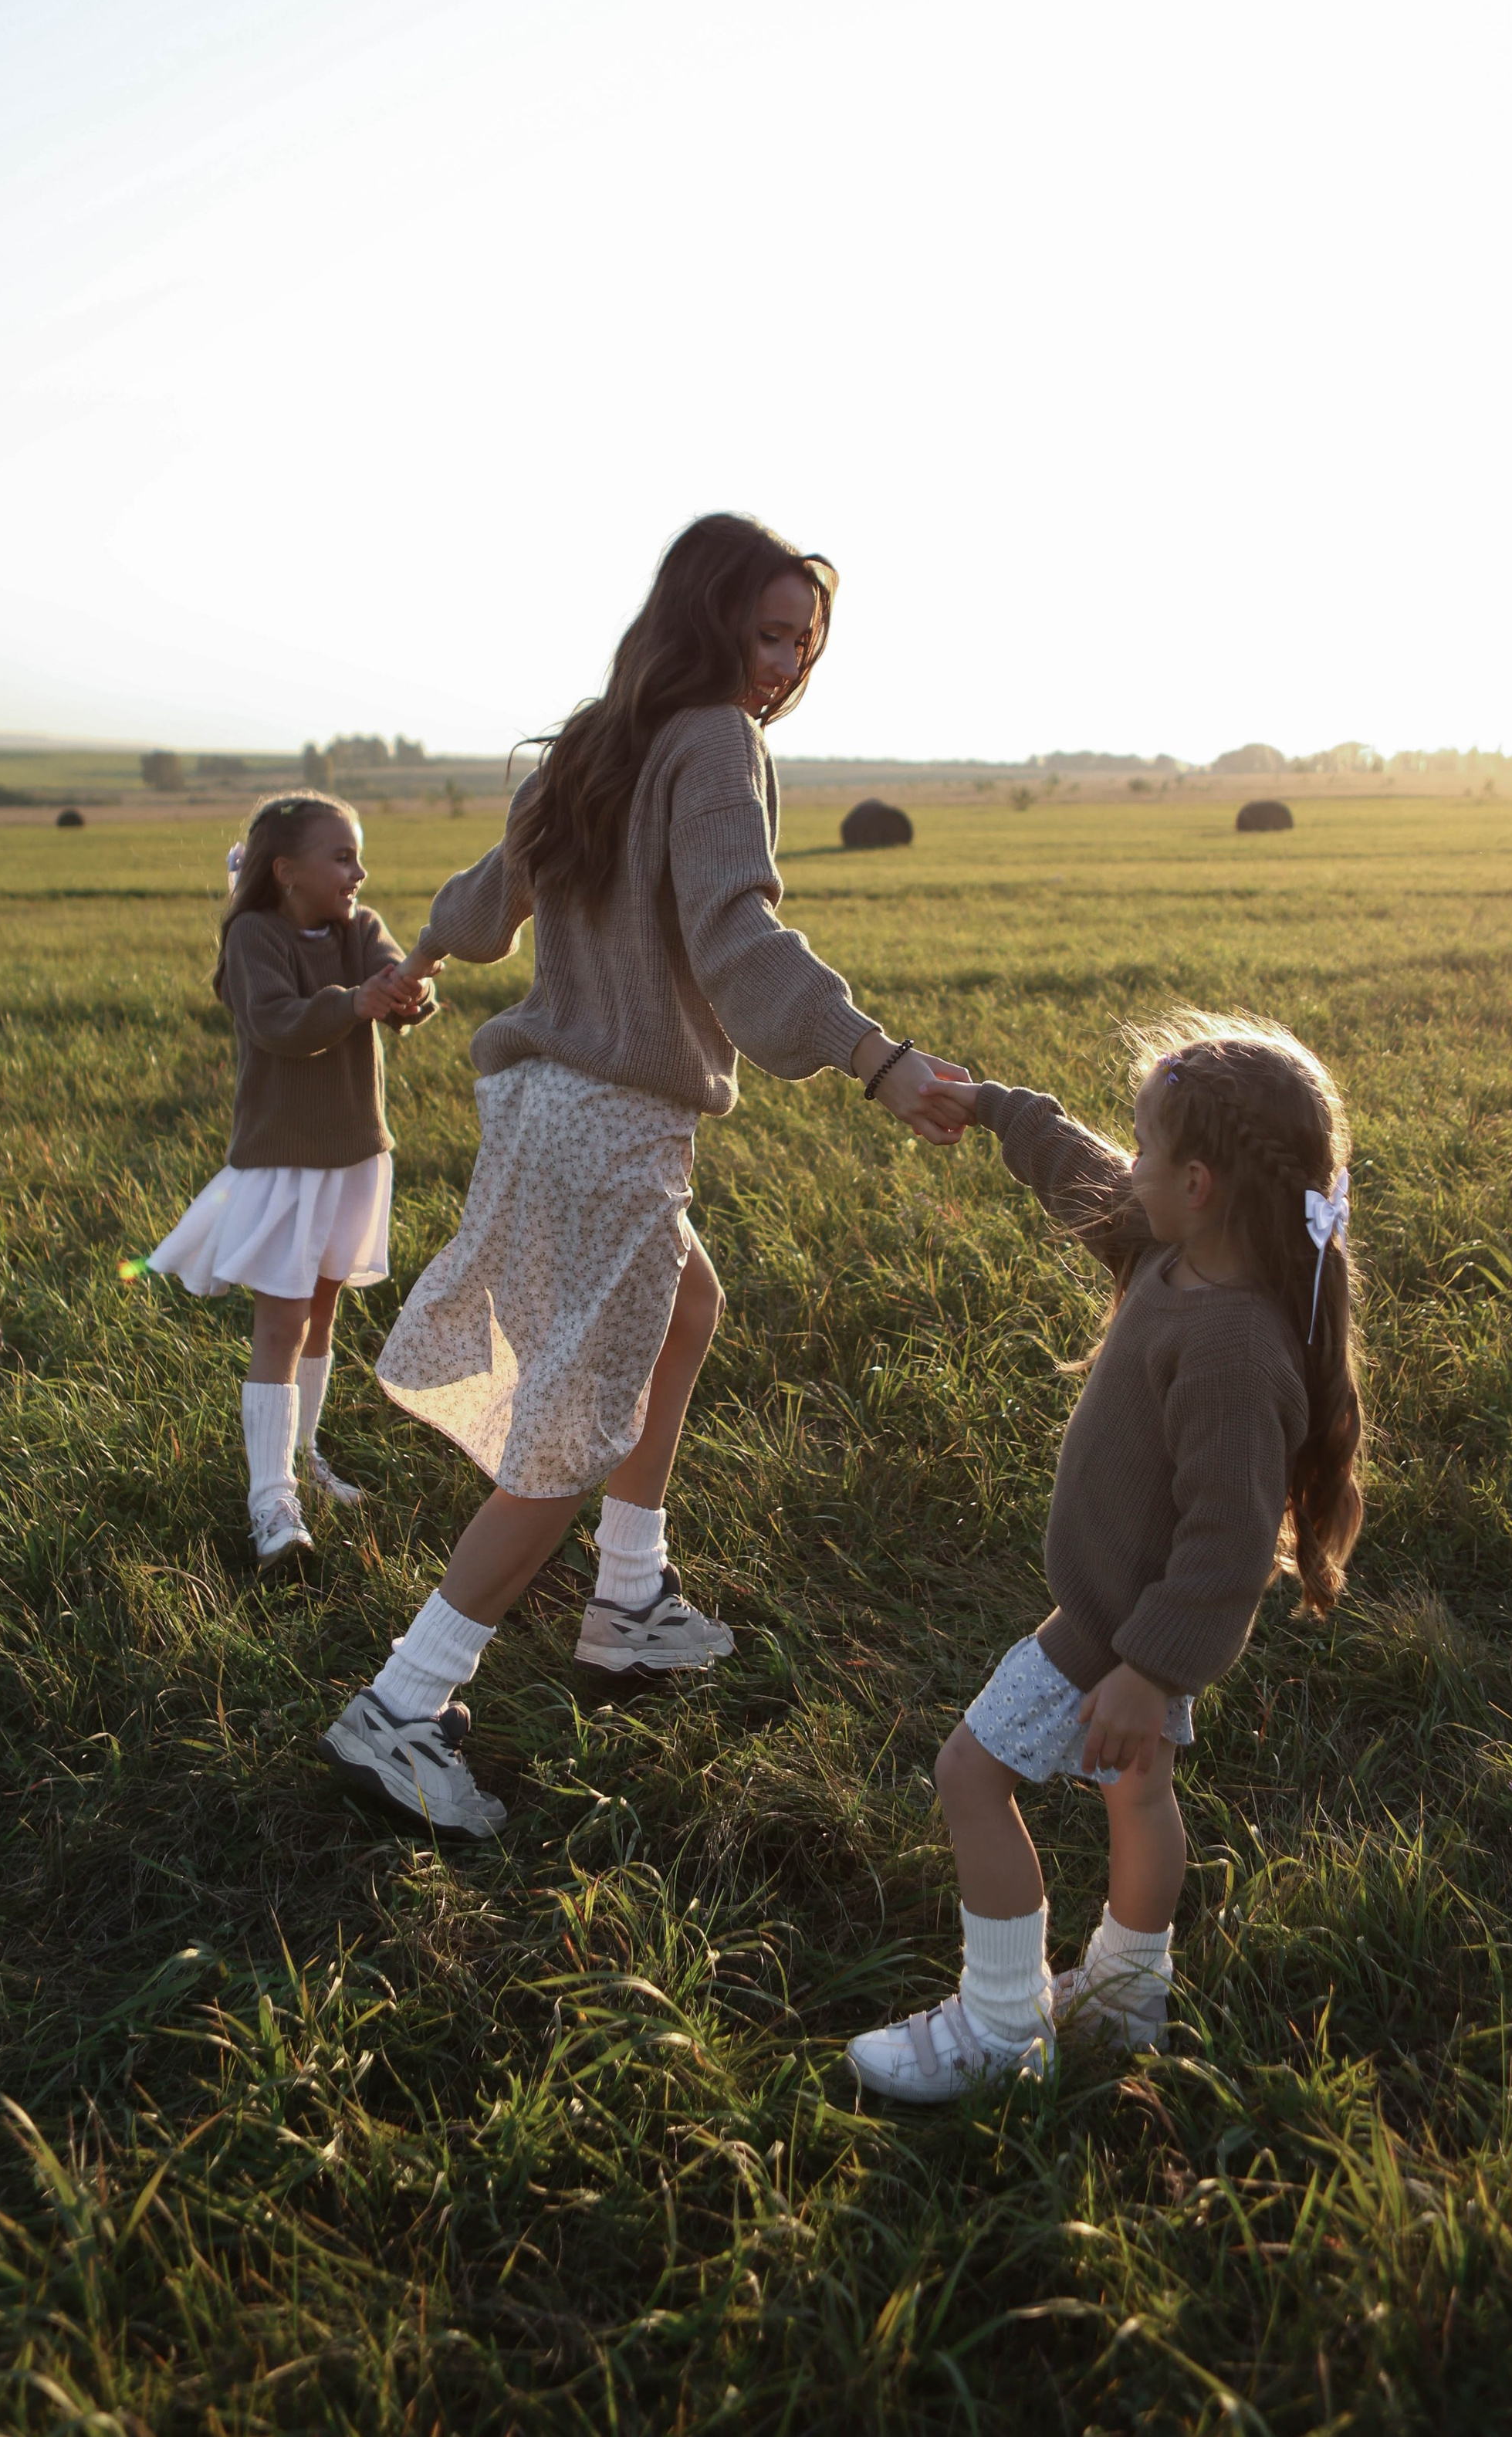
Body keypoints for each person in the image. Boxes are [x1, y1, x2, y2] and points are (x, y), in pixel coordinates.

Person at [316, 513, 968, 1836]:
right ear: (708, 618)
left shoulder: (596, 744)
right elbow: (738, 938)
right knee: (569, 1431)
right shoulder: (715, 743)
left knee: (686, 1309)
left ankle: (628, 1602)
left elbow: (489, 899)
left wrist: (430, 955)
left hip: (547, 1105)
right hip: (611, 1125)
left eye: (807, 641)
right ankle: (405, 1700)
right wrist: (876, 1058)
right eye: (771, 632)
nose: (786, 663)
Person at [846, 1014, 1365, 2101]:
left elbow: (1228, 1547)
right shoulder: (1170, 1248)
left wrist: (1148, 1668)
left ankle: (999, 2029)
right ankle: (1128, 1997)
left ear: (1202, 1181)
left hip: (1111, 1637)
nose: (1124, 1164)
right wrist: (993, 1107)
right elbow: (1076, 1166)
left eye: (1145, 1148)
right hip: (1128, 1632)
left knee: (970, 1776)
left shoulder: (1233, 1347)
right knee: (1139, 1794)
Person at [146, 794, 435, 1576]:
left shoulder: (360, 927)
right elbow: (277, 1023)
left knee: (320, 1312)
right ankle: (270, 1502)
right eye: (342, 856)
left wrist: (409, 996)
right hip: (283, 1161)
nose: (358, 871)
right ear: (287, 870)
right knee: (278, 1325)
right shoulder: (253, 936)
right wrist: (356, 1001)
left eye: (358, 855)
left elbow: (390, 983)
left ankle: (304, 1459)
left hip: (354, 1155)